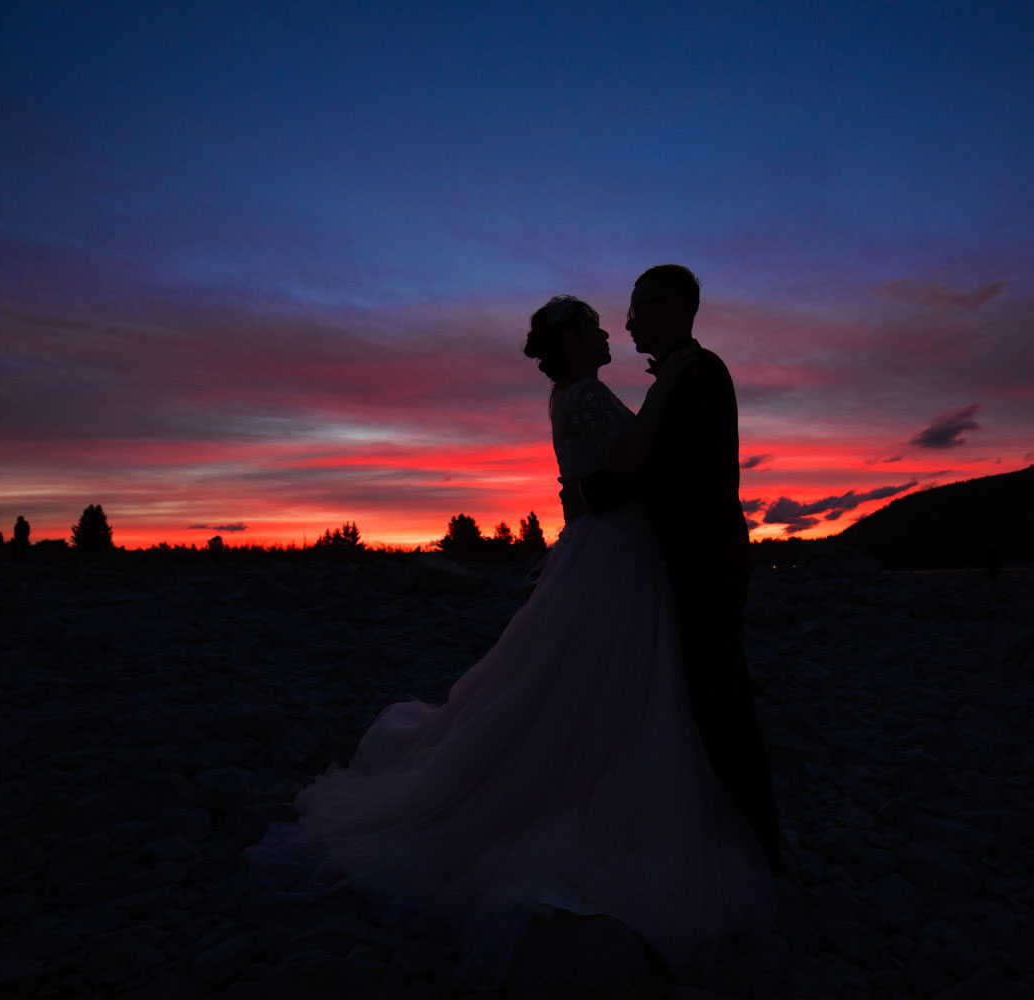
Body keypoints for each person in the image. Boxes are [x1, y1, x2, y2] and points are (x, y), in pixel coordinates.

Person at [248, 295, 772, 987]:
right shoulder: (583, 397)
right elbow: (632, 461)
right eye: (593, 326)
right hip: (616, 558)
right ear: (575, 344)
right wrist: (671, 383)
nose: (609, 330)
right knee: (603, 672)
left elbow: (578, 487)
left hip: (610, 550)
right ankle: (592, 787)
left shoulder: (576, 394)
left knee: (592, 674)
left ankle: (596, 762)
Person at [577, 265, 783, 876]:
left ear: (673, 306)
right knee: (700, 698)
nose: (629, 320)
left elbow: (654, 468)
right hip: (691, 559)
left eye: (638, 308)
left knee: (721, 703)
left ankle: (758, 848)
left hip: (706, 562)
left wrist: (586, 497)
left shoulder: (698, 374)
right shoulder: (682, 374)